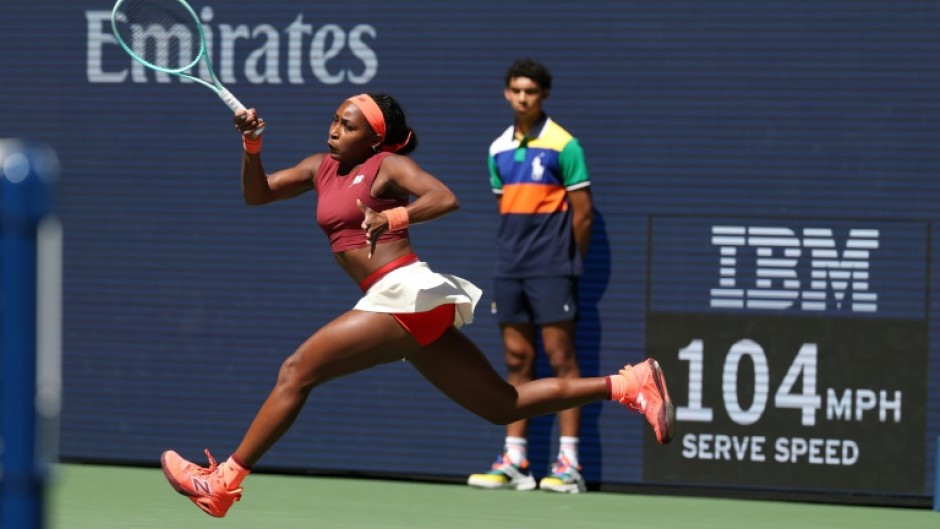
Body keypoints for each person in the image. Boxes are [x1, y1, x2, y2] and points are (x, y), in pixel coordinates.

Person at [158, 93, 675, 518]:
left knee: (297, 371)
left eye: (348, 125)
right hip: (401, 303)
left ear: (374, 139)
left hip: (404, 292)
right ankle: (629, 384)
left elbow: (444, 198)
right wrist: (252, 145)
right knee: (502, 405)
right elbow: (259, 194)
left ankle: (223, 482)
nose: (335, 129)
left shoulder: (389, 165)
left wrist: (393, 218)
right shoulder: (320, 167)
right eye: (335, 120)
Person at [467, 59, 594, 494]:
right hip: (510, 268)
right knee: (517, 361)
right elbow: (507, 209)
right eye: (517, 90)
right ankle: (515, 459)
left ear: (544, 95)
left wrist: (566, 262)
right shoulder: (497, 149)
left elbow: (583, 214)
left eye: (531, 91)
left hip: (552, 268)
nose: (523, 98)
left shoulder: (565, 145)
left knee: (562, 359)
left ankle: (569, 463)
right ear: (507, 93)